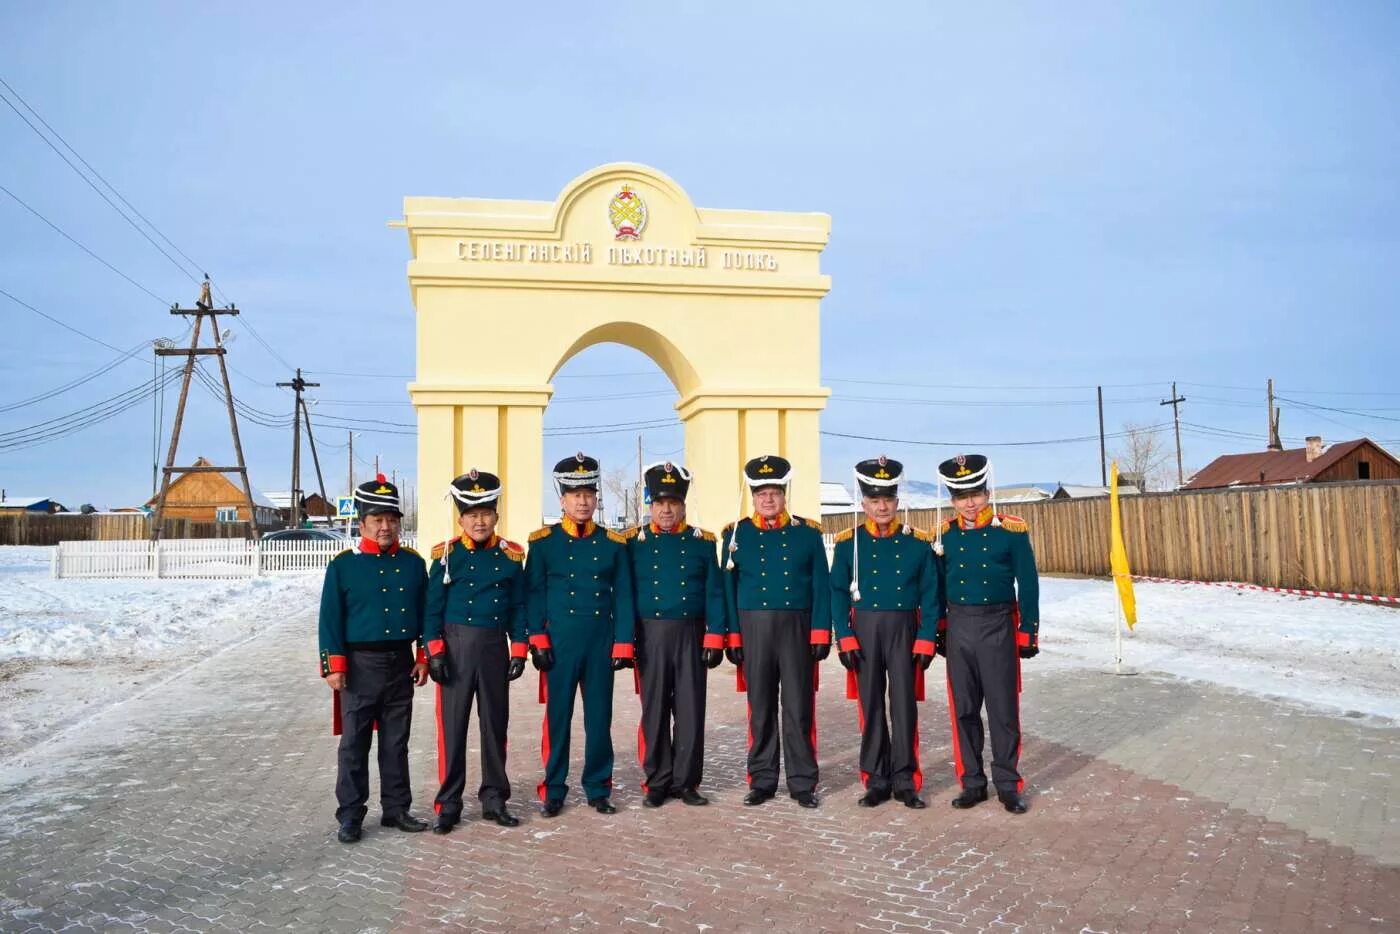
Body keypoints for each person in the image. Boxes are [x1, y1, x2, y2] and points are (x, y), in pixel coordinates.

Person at [317, 474, 430, 843]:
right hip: (359, 666)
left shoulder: (414, 565)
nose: (385, 527)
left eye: (391, 520)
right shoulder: (343, 566)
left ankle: (396, 810)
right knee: (354, 744)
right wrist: (334, 667)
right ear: (362, 523)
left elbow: (427, 613)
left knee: (396, 742)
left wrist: (423, 656)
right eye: (377, 520)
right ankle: (350, 815)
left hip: (400, 663)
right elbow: (330, 619)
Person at [525, 453, 636, 817]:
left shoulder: (613, 544)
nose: (583, 501)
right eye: (575, 495)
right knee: (558, 718)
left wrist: (623, 642)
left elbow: (623, 595)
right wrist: (537, 641)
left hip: (600, 642)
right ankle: (554, 789)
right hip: (559, 644)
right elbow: (534, 594)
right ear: (563, 500)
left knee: (599, 718)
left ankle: (598, 787)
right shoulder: (543, 543)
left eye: (588, 493)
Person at [829, 456, 940, 809]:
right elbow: (836, 593)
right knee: (871, 704)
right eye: (874, 500)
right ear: (863, 503)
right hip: (864, 632)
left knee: (904, 705)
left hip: (904, 630)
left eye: (887, 500)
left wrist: (925, 636)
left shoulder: (918, 543)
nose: (882, 506)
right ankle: (876, 779)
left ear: (897, 502)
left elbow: (931, 594)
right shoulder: (849, 544)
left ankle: (906, 780)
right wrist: (844, 636)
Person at [722, 454, 831, 808]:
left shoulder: (807, 533)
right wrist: (734, 635)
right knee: (761, 706)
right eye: (761, 493)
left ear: (785, 494)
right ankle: (762, 779)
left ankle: (802, 782)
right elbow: (728, 588)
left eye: (774, 492)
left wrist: (819, 632)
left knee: (799, 706)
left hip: (796, 628)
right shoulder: (736, 534)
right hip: (754, 628)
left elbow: (821, 585)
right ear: (752, 496)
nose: (768, 499)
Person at [933, 454, 1039, 814]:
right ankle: (973, 783)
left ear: (987, 493)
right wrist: (941, 631)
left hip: (998, 626)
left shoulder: (1009, 531)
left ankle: (1008, 784)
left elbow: (1028, 583)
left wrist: (1028, 631)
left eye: (975, 493)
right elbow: (937, 586)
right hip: (959, 625)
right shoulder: (945, 534)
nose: (969, 502)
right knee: (963, 710)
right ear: (952, 500)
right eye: (962, 496)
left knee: (1002, 710)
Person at [423, 470, 527, 834]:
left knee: (495, 725)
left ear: (496, 515)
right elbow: (432, 608)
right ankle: (449, 803)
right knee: (453, 728)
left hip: (495, 647)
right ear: (461, 518)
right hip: (455, 650)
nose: (479, 520)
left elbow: (518, 606)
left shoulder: (511, 556)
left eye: (485, 512)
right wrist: (434, 651)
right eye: (471, 514)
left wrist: (520, 649)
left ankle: (495, 798)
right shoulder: (446, 555)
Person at [624, 462, 726, 808]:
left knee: (690, 709)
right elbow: (624, 595)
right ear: (650, 505)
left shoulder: (702, 542)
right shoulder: (633, 543)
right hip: (650, 635)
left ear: (682, 505)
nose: (666, 510)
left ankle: (686, 781)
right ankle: (657, 780)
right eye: (659, 503)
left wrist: (715, 637)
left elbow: (715, 591)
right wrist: (626, 639)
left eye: (673, 503)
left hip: (691, 634)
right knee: (654, 710)